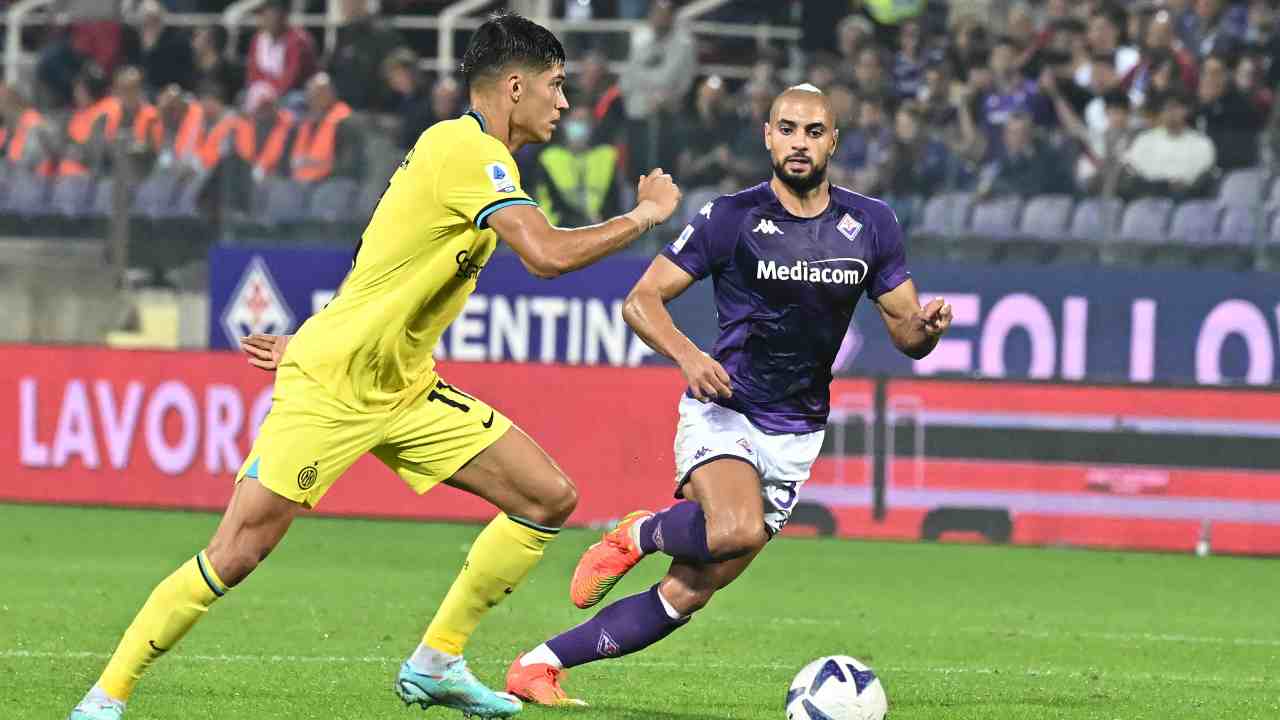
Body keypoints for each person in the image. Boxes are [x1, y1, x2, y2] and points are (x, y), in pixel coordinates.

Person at [67, 13, 681, 720]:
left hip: (403, 386)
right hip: (337, 388)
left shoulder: (468, 155)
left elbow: (382, 264)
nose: (565, 103)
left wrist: (315, 334)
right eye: (556, 85)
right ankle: (103, 699)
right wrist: (644, 215)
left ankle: (436, 661)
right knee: (236, 552)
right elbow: (545, 255)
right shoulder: (464, 150)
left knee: (545, 497)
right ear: (515, 87)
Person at [504, 84, 953, 706]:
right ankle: (641, 534)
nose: (800, 142)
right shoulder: (730, 218)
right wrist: (690, 357)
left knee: (687, 592)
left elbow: (906, 334)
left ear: (834, 142)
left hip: (798, 430)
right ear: (768, 136)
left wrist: (924, 332)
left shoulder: (871, 223)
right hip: (727, 410)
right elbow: (642, 301)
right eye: (788, 129)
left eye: (814, 131)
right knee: (737, 529)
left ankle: (538, 664)